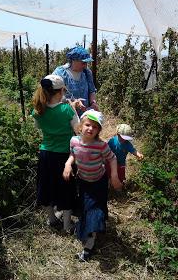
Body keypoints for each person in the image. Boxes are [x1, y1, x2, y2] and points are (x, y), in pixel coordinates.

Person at [63, 110, 122, 262]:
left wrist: (114, 176)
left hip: (98, 183)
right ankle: (88, 230)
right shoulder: (74, 141)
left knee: (93, 210)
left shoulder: (101, 146)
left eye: (95, 127)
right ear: (80, 126)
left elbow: (113, 158)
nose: (90, 129)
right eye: (88, 125)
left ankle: (89, 246)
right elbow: (72, 154)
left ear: (98, 130)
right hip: (83, 181)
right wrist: (68, 164)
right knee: (85, 208)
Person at [32, 74, 80, 232]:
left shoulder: (38, 110)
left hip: (45, 154)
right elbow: (78, 129)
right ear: (60, 92)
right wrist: (73, 107)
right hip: (64, 156)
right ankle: (67, 225)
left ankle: (51, 219)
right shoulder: (66, 109)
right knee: (66, 189)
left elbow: (38, 128)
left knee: (46, 186)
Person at [52, 46, 98, 114]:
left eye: (86, 63)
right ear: (74, 60)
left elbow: (92, 91)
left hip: (84, 116)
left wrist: (93, 103)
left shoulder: (87, 73)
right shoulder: (60, 73)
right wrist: (73, 103)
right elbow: (53, 94)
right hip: (66, 115)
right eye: (83, 63)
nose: (85, 66)